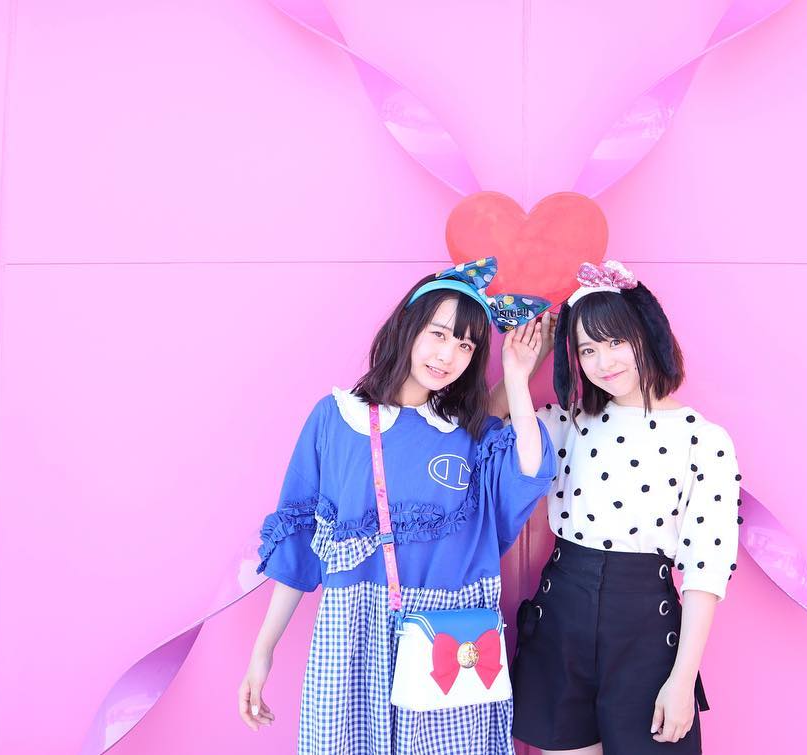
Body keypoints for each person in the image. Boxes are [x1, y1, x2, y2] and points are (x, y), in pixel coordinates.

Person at [238, 257, 556, 754]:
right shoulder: (336, 419)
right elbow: (300, 542)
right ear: (408, 326)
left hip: (447, 635)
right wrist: (264, 651)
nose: (448, 355)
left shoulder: (468, 433)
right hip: (352, 635)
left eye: (466, 345)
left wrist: (518, 377)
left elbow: (530, 469)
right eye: (438, 334)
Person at [506, 260, 741, 755]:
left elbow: (707, 568)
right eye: (587, 349)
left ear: (646, 334)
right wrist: (520, 370)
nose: (603, 361)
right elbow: (483, 431)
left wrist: (683, 680)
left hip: (645, 628)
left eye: (615, 341)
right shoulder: (567, 422)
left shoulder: (703, 439)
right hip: (561, 614)